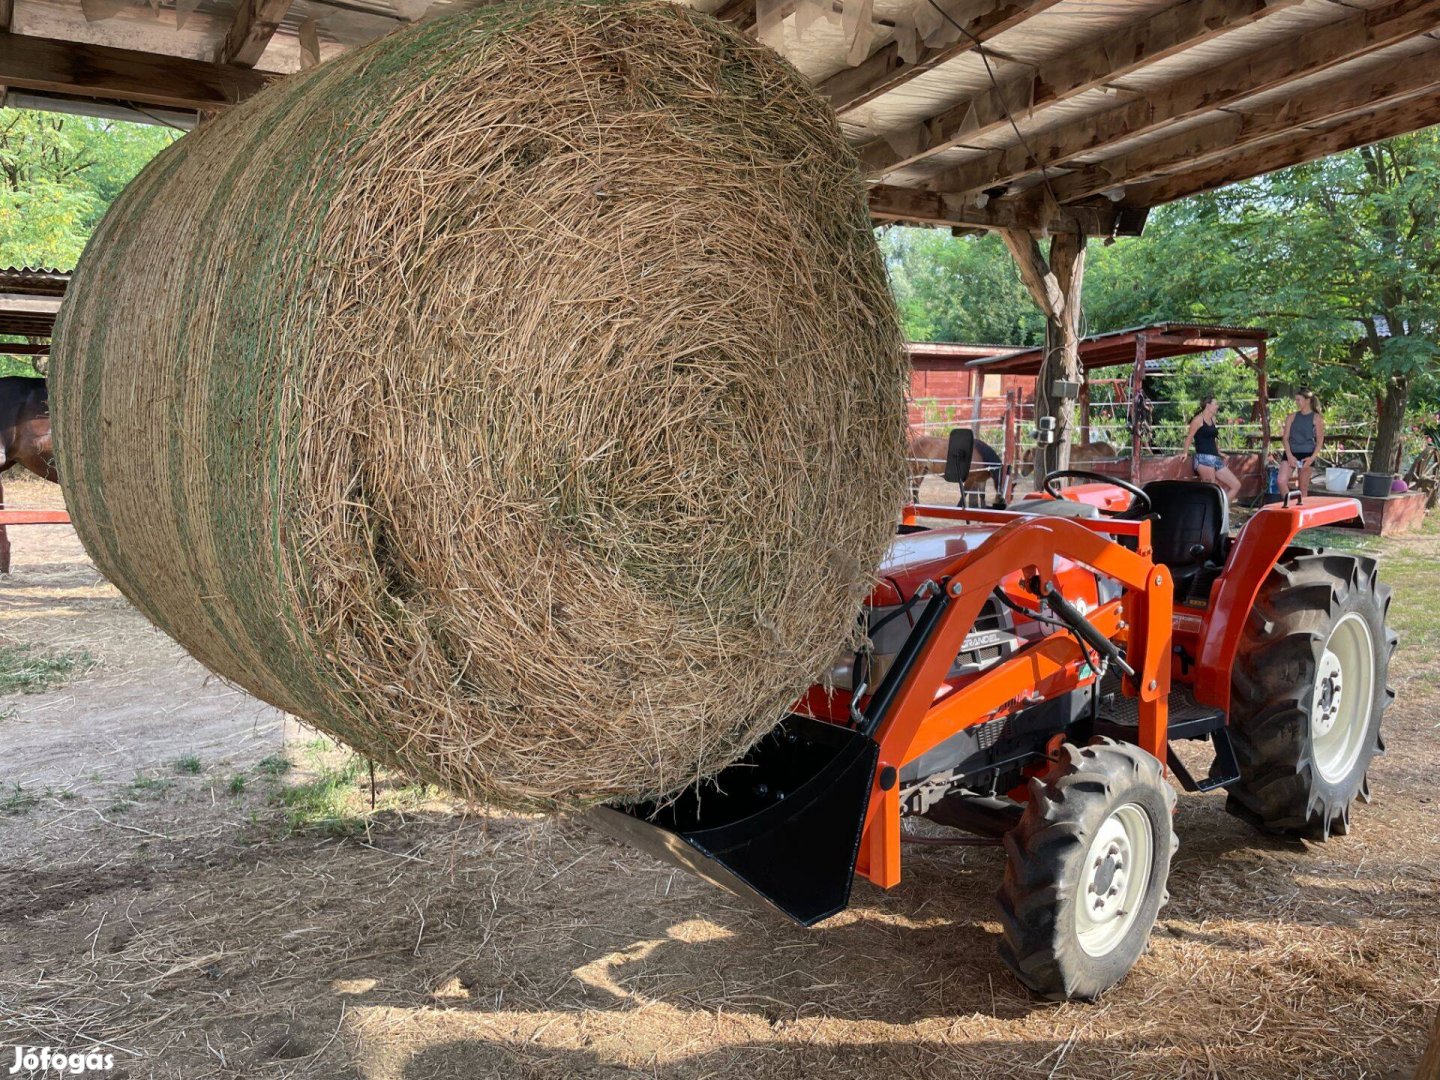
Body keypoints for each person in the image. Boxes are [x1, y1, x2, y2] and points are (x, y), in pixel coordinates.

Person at [1183, 395, 1242, 500]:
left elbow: (1213, 439)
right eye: (1215, 404)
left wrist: (1219, 452)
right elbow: (1189, 437)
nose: (1217, 406)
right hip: (1203, 458)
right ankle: (1213, 513)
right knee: (1212, 492)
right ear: (1208, 405)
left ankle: (1221, 511)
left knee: (1236, 485)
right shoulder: (1198, 420)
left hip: (1215, 458)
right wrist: (1185, 453)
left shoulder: (1213, 419)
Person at [1278, 390, 1325, 498]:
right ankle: (1289, 506)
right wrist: (1289, 456)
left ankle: (1302, 511)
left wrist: (1312, 458)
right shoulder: (1291, 416)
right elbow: (1285, 438)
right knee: (1281, 481)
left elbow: (1320, 441)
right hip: (1291, 452)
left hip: (1307, 454)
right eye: (1296, 400)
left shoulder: (1316, 418)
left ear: (1307, 400)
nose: (1297, 402)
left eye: (1299, 400)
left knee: (1303, 487)